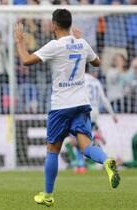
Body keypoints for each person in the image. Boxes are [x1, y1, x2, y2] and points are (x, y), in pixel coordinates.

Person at [14, 9, 120, 207]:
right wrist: (82, 43)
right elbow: (97, 63)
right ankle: (106, 161)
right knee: (86, 146)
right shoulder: (81, 43)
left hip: (61, 105)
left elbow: (26, 61)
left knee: (52, 150)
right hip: (81, 104)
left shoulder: (54, 45)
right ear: (70, 25)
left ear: (54, 26)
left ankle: (48, 195)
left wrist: (19, 41)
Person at [66, 68, 118, 173]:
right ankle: (100, 158)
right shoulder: (97, 82)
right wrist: (113, 114)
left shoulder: (81, 79)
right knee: (87, 139)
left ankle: (82, 164)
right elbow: (104, 99)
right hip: (95, 112)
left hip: (85, 110)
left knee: (78, 138)